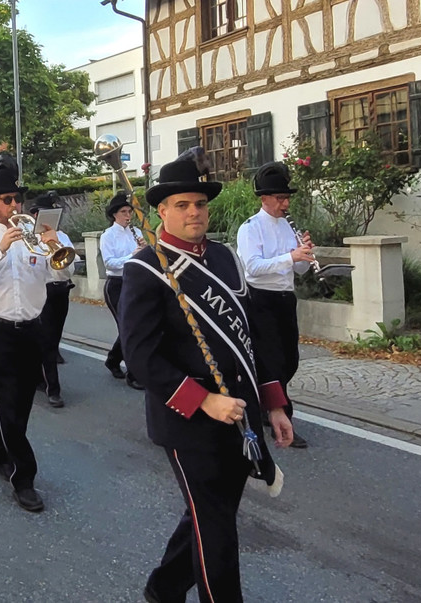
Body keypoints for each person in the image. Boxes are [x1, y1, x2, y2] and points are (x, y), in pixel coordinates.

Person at [119, 151, 294, 603]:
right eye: (182, 205)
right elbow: (141, 356)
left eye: (199, 203)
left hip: (241, 413)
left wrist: (273, 403)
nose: (193, 212)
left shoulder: (227, 258)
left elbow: (254, 336)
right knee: (216, 529)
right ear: (161, 211)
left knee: (209, 513)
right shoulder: (145, 269)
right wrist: (203, 400)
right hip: (189, 421)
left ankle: (164, 587)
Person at [0, 154, 66, 513]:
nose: (15, 205)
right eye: (8, 200)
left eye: (17, 199)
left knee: (20, 404)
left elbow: (60, 277)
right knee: (9, 402)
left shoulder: (33, 236)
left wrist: (53, 247)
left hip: (32, 330)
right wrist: (1, 248)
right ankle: (24, 479)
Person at [236, 161, 314, 449]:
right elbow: (253, 268)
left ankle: (265, 404)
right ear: (264, 199)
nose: (285, 203)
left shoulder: (287, 227)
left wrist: (305, 255)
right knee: (272, 362)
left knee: (290, 360)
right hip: (260, 300)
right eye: (280, 198)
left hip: (285, 299)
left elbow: (300, 271)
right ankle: (282, 420)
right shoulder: (250, 228)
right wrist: (290, 257)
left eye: (287, 198)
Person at [29, 192, 78, 408]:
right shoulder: (30, 240)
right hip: (41, 292)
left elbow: (71, 268)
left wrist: (56, 244)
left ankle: (38, 378)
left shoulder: (62, 237)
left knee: (53, 338)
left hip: (61, 291)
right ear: (36, 215)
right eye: (44, 214)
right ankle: (53, 389)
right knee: (47, 341)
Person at [100, 192, 146, 390]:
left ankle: (112, 359)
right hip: (117, 285)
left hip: (134, 283)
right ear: (114, 215)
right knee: (128, 328)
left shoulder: (136, 232)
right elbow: (109, 262)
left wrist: (145, 251)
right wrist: (132, 256)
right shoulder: (107, 236)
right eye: (124, 212)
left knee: (133, 327)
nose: (128, 216)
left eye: (129, 212)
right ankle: (133, 374)